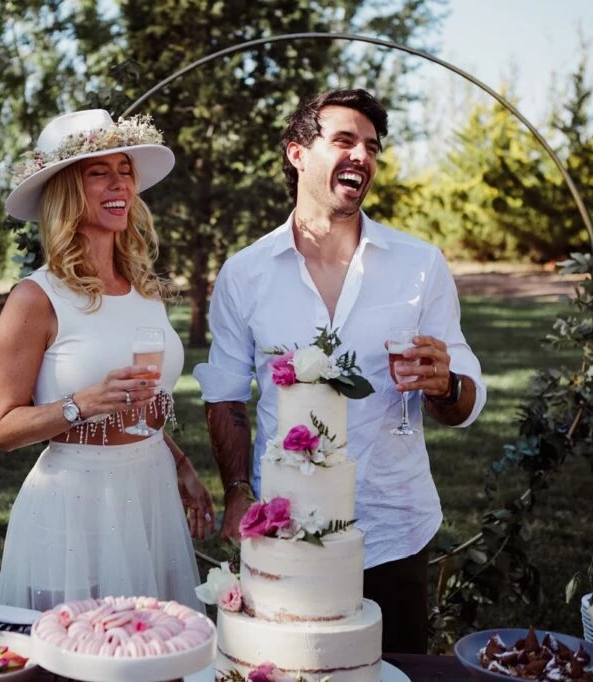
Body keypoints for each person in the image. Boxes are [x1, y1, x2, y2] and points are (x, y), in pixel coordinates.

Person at [193, 89, 486, 653]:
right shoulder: (245, 273)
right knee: (284, 664)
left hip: (394, 525)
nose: (362, 156)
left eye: (372, 147)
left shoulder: (420, 266)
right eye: (344, 140)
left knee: (391, 666)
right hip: (286, 528)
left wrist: (444, 384)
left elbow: (466, 406)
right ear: (297, 153)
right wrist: (236, 489)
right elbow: (227, 395)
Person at [0, 109, 214, 612]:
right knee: (78, 652)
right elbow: (2, 429)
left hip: (151, 486)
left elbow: (140, 398)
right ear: (68, 189)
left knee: (153, 650)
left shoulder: (145, 289)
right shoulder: (35, 298)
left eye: (125, 169)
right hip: (77, 501)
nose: (121, 183)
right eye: (99, 172)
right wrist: (81, 404)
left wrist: (180, 464)